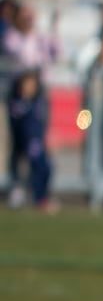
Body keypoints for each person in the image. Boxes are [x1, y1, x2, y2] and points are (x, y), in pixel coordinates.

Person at [6, 68, 50, 210]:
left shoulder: (38, 102)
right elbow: (17, 124)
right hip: (22, 141)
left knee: (43, 168)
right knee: (19, 168)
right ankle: (21, 194)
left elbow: (41, 123)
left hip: (35, 142)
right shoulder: (17, 102)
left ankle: (40, 197)